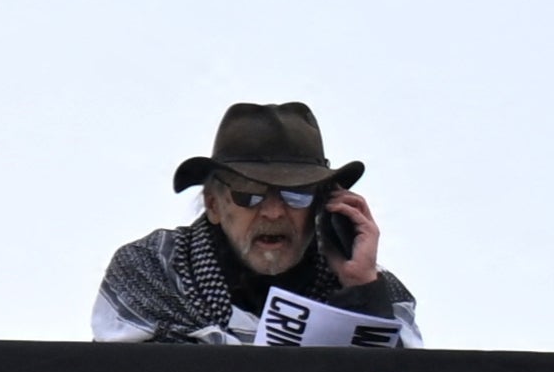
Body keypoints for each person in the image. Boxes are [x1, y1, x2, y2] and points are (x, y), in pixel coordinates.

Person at [93, 100, 418, 348]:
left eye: (297, 195)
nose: (274, 213)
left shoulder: (377, 289)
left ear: (324, 204)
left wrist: (361, 290)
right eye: (249, 195)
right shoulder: (152, 269)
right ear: (214, 205)